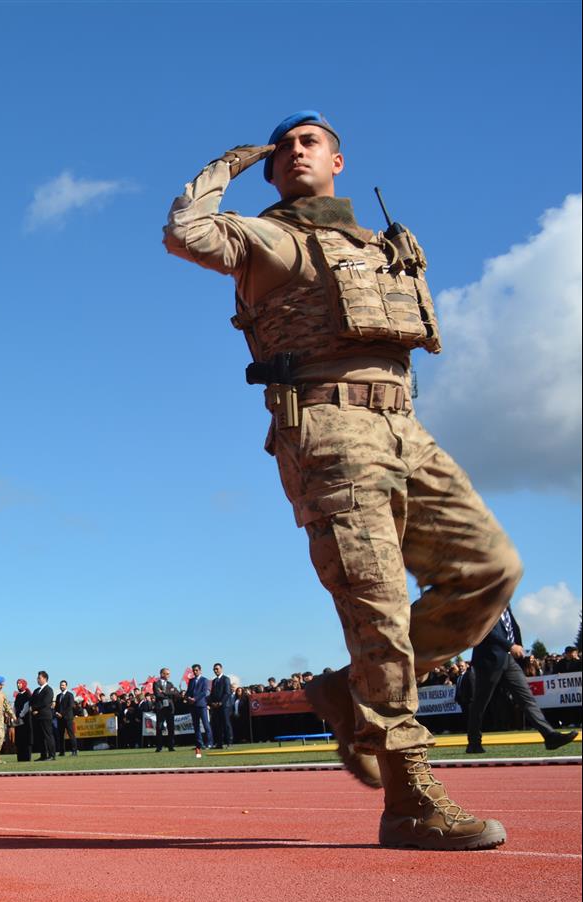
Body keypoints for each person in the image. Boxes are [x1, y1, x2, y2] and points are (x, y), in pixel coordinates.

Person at [164, 110, 522, 849]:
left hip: (405, 427)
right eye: (284, 148)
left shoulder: (381, 246)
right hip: (328, 430)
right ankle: (409, 798)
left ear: (338, 160)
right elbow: (185, 232)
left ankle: (347, 693)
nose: (296, 152)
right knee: (378, 606)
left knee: (489, 571)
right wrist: (230, 163)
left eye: (310, 142)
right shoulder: (268, 240)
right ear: (271, 169)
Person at [464, 607, 578, 754]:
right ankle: (474, 742)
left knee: (526, 698)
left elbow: (512, 627)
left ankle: (550, 736)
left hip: (508, 660)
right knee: (480, 703)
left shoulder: (506, 605)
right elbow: (484, 630)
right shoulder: (487, 602)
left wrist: (519, 647)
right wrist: (510, 645)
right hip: (488, 661)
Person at [186, 663, 212, 757]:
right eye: (194, 670)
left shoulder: (204, 680)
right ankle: (199, 744)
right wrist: (188, 697)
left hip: (201, 705)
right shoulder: (191, 680)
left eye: (197, 670)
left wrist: (195, 698)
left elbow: (204, 692)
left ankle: (209, 743)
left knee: (206, 724)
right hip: (193, 706)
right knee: (196, 726)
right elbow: (189, 691)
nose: (195, 672)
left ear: (200, 670)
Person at [29, 671, 56, 761]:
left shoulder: (49, 690)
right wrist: (32, 709)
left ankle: (52, 755)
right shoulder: (36, 690)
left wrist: (35, 708)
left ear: (45, 678)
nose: (37, 680)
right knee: (40, 737)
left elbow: (45, 702)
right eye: (37, 678)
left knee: (48, 736)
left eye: (39, 678)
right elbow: (31, 701)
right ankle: (43, 755)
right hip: (36, 717)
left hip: (45, 716)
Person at [151, 668, 178, 753]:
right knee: (159, 727)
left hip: (170, 708)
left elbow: (176, 693)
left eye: (169, 673)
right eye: (167, 673)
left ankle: (171, 746)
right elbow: (157, 694)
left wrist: (164, 692)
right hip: (161, 707)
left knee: (171, 727)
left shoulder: (170, 684)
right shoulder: (156, 683)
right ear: (162, 674)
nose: (168, 675)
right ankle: (159, 747)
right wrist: (168, 693)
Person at [55, 679, 78, 757]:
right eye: (61, 685)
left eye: (63, 685)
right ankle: (62, 752)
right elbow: (56, 707)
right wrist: (57, 713)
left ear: (66, 686)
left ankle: (74, 751)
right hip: (60, 719)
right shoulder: (58, 696)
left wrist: (62, 714)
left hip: (68, 718)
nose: (62, 686)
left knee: (71, 734)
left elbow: (70, 706)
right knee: (60, 736)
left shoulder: (70, 695)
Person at [11, 678, 32, 763]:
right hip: (18, 720)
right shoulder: (18, 695)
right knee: (19, 739)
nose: (18, 685)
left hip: (25, 719)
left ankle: (27, 757)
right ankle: (20, 758)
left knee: (26, 739)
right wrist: (13, 717)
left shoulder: (27, 694)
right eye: (17, 683)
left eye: (20, 683)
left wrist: (20, 716)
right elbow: (15, 707)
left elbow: (26, 706)